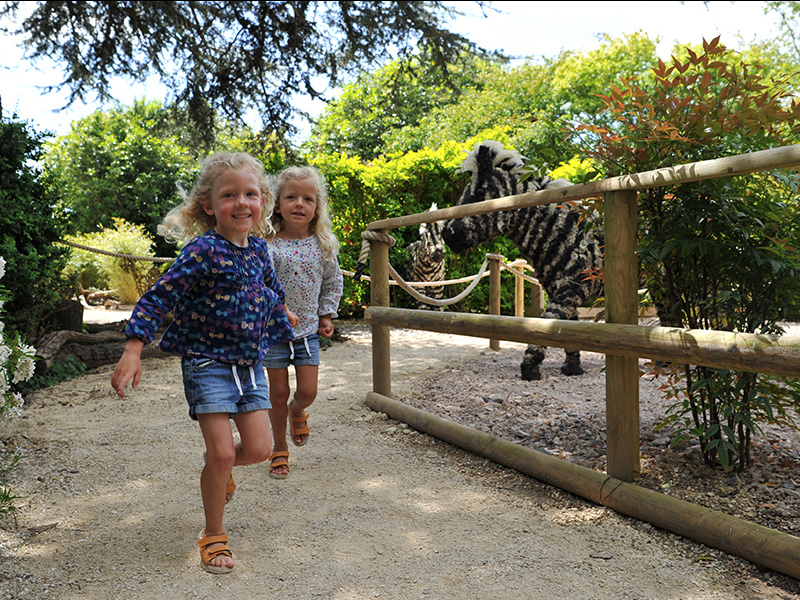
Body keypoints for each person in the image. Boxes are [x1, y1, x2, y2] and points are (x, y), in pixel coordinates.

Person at [110, 152, 297, 574]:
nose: (242, 202)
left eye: (251, 193)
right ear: (210, 206)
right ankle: (213, 534)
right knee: (220, 452)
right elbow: (160, 296)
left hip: (249, 365)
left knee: (261, 449)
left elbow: (271, 288)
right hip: (208, 363)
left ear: (263, 202)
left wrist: (282, 312)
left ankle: (221, 470)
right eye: (229, 195)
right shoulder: (202, 250)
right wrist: (134, 347)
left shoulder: (261, 252)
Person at [262, 166, 343, 479]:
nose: (299, 204)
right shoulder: (267, 245)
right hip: (274, 331)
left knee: (308, 391)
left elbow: (332, 281)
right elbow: (261, 284)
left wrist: (326, 314)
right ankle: (278, 449)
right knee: (277, 392)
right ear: (278, 204)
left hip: (308, 329)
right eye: (291, 197)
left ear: (316, 208)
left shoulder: (322, 245)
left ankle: (298, 411)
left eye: (307, 199)